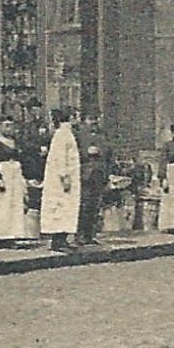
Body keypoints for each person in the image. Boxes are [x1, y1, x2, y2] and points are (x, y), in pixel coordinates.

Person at [0, 118, 29, 242]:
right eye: (6, 126)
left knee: (14, 204)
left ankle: (13, 234)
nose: (9, 129)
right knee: (0, 205)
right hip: (2, 174)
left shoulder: (16, 142)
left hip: (15, 175)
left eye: (11, 126)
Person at [40, 108, 81, 252]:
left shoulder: (67, 133)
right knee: (60, 208)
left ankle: (63, 239)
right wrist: (64, 177)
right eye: (76, 116)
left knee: (67, 208)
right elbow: (60, 157)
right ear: (70, 118)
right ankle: (58, 241)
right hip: (61, 180)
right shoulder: (62, 134)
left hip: (69, 178)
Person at [76, 114, 109, 246]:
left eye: (95, 119)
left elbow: (108, 153)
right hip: (86, 173)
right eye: (90, 119)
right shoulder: (79, 136)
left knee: (95, 205)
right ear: (84, 121)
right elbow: (75, 153)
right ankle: (80, 234)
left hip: (99, 173)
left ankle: (90, 234)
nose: (93, 122)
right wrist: (86, 152)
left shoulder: (102, 136)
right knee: (84, 204)